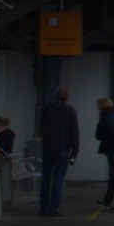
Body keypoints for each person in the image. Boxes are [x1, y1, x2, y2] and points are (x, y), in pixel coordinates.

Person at [38, 87, 80, 216]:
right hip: (63, 148)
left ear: (56, 96)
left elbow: (41, 126)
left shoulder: (47, 109)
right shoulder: (70, 111)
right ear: (67, 98)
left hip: (48, 148)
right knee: (58, 180)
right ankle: (53, 208)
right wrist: (75, 152)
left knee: (45, 179)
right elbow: (74, 133)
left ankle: (42, 208)